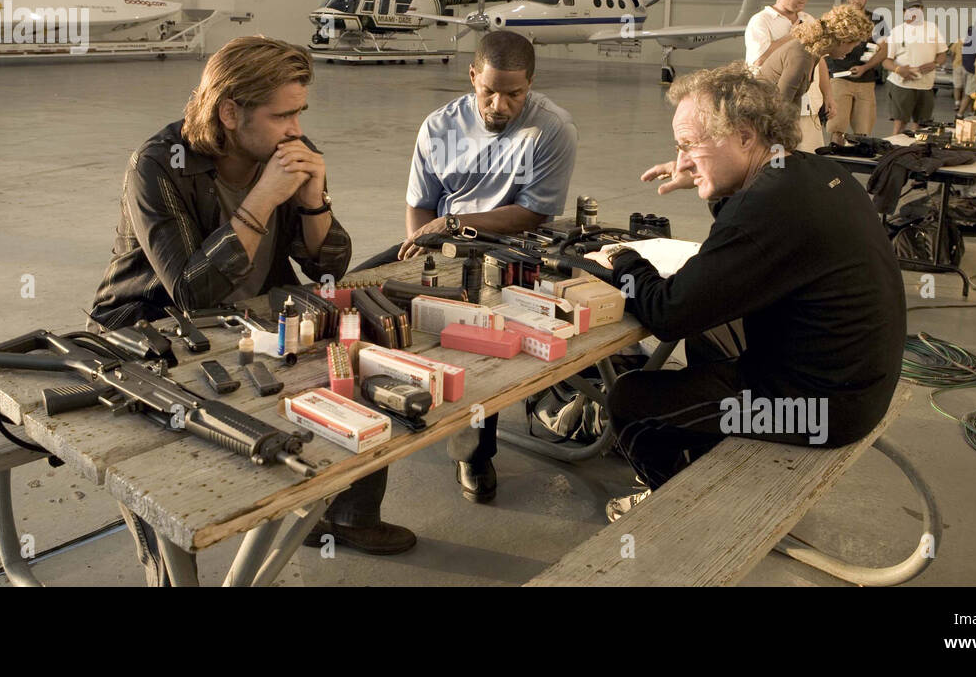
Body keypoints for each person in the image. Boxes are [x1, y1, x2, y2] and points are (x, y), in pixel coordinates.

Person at [90, 35, 416, 581]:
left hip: (254, 319)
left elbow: (327, 267)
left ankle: (346, 517)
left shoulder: (286, 151)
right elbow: (192, 291)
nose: (295, 127)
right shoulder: (158, 166)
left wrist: (315, 200)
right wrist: (263, 196)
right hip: (152, 331)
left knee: (358, 368)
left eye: (299, 112)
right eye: (281, 114)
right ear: (230, 112)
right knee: (168, 462)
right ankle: (168, 575)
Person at [585, 64, 904, 520]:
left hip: (824, 410)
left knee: (633, 402)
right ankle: (702, 444)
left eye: (689, 145)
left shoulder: (767, 206)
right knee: (707, 325)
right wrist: (706, 180)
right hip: (854, 382)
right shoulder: (807, 171)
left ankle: (675, 503)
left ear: (746, 136)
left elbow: (668, 312)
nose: (683, 159)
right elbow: (745, 249)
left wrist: (622, 259)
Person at [384, 30, 578, 503]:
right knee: (370, 297)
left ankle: (474, 451)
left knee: (483, 332)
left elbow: (534, 212)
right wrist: (423, 250)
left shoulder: (551, 130)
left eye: (514, 94)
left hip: (514, 244)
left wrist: (453, 223)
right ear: (472, 76)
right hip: (442, 240)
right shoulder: (440, 128)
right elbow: (420, 207)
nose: (499, 104)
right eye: (488, 90)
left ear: (530, 85)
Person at [757, 3, 874, 150]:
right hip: (762, 123)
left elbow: (792, 102)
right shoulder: (802, 57)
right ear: (843, 41)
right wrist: (783, 150)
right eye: (853, 45)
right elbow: (780, 107)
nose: (851, 52)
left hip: (768, 120)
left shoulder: (812, 53)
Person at [744, 0, 835, 132]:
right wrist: (796, 35)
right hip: (773, 105)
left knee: (809, 154)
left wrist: (828, 95)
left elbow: (820, 60)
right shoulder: (761, 21)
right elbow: (759, 60)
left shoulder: (809, 20)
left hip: (809, 106)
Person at [825, 0, 886, 143]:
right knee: (836, 128)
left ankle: (857, 161)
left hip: (865, 80)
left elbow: (884, 50)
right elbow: (824, 46)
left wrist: (865, 68)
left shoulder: (876, 20)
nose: (857, 1)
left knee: (863, 131)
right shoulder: (837, 18)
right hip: (839, 78)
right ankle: (835, 160)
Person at [883, 0, 947, 133]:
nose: (915, 11)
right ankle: (896, 151)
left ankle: (915, 153)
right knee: (900, 125)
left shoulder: (932, 29)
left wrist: (935, 64)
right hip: (902, 85)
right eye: (911, 9)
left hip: (926, 85)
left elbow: (942, 54)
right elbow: (886, 60)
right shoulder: (897, 31)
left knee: (922, 126)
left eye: (918, 8)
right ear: (904, 11)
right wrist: (899, 69)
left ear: (922, 10)